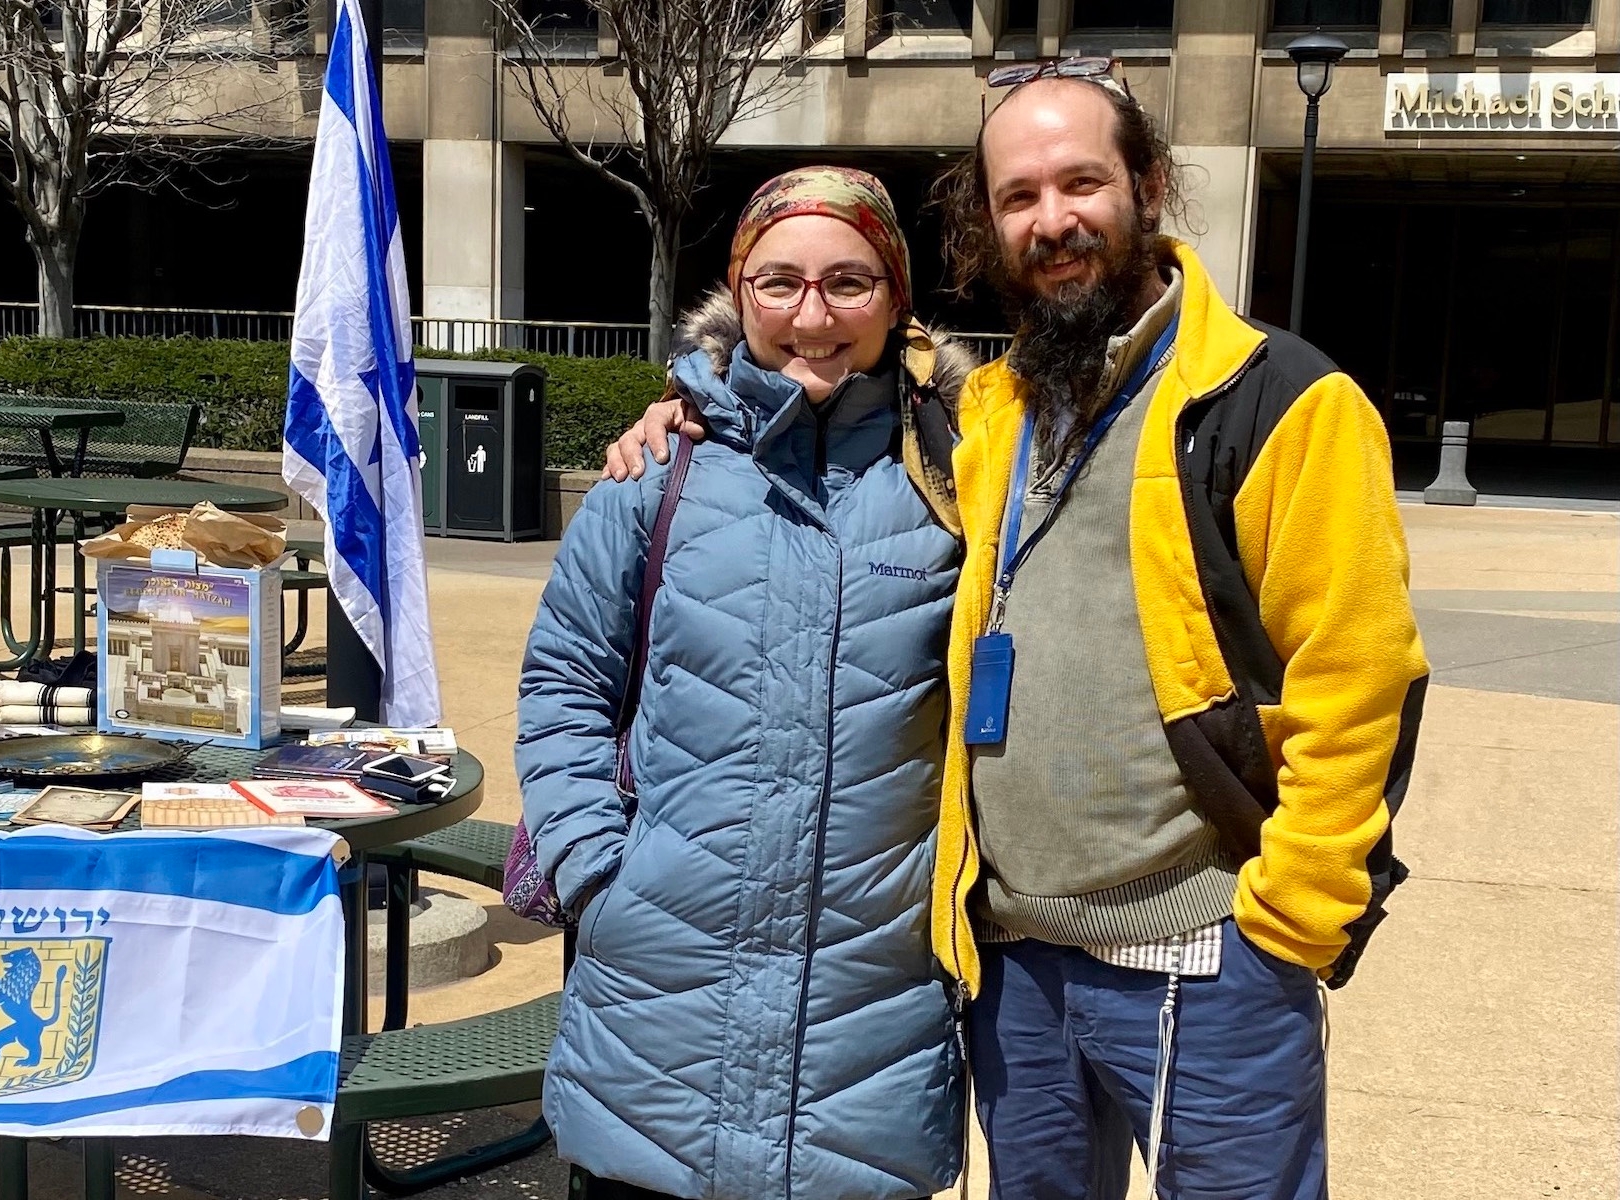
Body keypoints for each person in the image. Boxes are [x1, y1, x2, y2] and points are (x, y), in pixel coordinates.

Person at [602, 72, 1428, 1199]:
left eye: (1081, 181)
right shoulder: (989, 415)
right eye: (1018, 196)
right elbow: (798, 384)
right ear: (986, 227)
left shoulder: (1281, 400)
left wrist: (1292, 919)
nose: (1053, 219)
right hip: (1017, 967)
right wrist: (687, 396)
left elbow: (1362, 676)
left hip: (1209, 958)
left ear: (1146, 184)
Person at [515, 167, 979, 1200]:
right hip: (654, 1024)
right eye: (780, 283)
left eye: (849, 283)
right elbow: (564, 686)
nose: (812, 317)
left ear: (896, 296)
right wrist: (600, 874)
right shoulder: (657, 477)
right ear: (740, 292)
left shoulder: (961, 478)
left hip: (868, 1053)